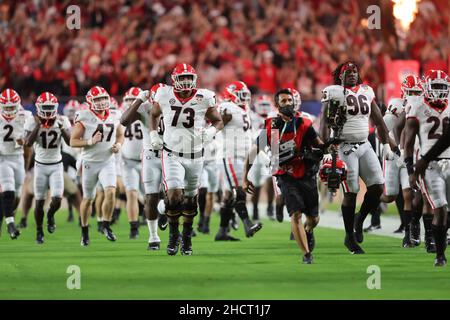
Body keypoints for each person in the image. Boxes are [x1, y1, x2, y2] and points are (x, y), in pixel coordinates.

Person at [319, 61, 397, 254]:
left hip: (365, 145)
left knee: (378, 187)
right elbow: (324, 123)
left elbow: (378, 120)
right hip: (343, 147)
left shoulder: (367, 90)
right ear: (340, 75)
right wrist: (327, 149)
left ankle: (360, 218)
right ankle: (349, 237)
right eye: (347, 72)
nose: (352, 74)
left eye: (354, 71)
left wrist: (387, 143)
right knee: (351, 192)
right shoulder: (333, 91)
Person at [149, 63, 224, 256]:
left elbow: (218, 120)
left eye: (188, 78)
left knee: (190, 200)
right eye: (181, 78)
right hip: (172, 153)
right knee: (174, 196)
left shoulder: (203, 97)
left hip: (196, 155)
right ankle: (174, 236)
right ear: (174, 80)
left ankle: (187, 237)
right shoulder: (164, 94)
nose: (185, 81)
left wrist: (211, 131)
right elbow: (154, 114)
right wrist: (153, 134)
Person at [243, 89, 324, 264]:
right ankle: (306, 254)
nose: (288, 103)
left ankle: (308, 231)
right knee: (295, 214)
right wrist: (245, 177)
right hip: (285, 174)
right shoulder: (271, 125)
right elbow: (254, 151)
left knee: (314, 219)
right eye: (284, 101)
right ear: (277, 105)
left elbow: (320, 146)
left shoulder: (304, 123)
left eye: (289, 100)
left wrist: (326, 152)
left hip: (306, 174)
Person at [70, 86, 124, 246]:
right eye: (97, 99)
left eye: (103, 98)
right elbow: (73, 141)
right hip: (90, 163)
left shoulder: (115, 114)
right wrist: (89, 141)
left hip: (108, 161)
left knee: (110, 192)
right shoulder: (84, 116)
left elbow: (120, 135)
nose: (101, 102)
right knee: (88, 199)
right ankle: (85, 231)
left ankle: (106, 225)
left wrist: (119, 145)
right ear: (89, 102)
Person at [406, 70, 450, 267]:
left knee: (446, 211)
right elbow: (408, 141)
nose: (440, 92)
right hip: (429, 165)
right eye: (436, 87)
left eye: (443, 87)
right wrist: (410, 166)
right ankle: (440, 255)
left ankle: (437, 240)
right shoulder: (417, 107)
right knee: (439, 207)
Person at [214, 81, 263, 241]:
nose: (244, 99)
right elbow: (217, 123)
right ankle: (247, 224)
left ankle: (222, 232)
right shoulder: (226, 106)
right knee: (238, 190)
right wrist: (221, 119)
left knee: (229, 195)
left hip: (242, 156)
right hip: (230, 155)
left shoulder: (244, 110)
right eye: (241, 95)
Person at [120, 84, 165, 250]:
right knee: (150, 197)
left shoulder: (175, 106)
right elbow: (124, 121)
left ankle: (164, 208)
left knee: (176, 195)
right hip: (150, 155)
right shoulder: (145, 107)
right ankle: (153, 237)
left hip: (170, 155)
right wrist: (139, 100)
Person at [24, 92, 71, 244]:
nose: (49, 110)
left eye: (51, 107)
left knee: (57, 199)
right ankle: (39, 231)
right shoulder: (32, 121)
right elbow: (28, 143)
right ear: (38, 108)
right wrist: (38, 125)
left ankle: (50, 215)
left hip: (56, 165)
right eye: (45, 107)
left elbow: (70, 142)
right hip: (40, 166)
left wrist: (61, 128)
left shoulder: (62, 120)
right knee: (38, 201)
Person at [0, 89, 33, 239]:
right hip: (2, 158)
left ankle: (7, 218)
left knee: (17, 195)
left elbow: (30, 141)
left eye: (11, 107)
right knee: (8, 190)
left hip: (18, 157)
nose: (8, 111)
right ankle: (11, 225)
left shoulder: (25, 116)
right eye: (5, 107)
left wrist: (24, 140)